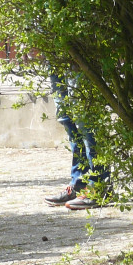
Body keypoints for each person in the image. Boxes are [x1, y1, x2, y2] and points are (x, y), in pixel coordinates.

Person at [43, 72, 110, 211]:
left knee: (86, 121)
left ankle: (99, 186)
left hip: (78, 57)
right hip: (56, 58)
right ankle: (80, 185)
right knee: (66, 119)